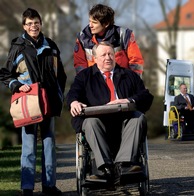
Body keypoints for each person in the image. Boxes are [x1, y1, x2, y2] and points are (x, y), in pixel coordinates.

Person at [0, 8, 66, 196]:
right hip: (28, 104)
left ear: (41, 23)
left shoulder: (51, 46)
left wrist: (59, 96)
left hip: (49, 103)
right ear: (24, 26)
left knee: (49, 145)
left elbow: (60, 74)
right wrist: (17, 86)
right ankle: (27, 188)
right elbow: (5, 74)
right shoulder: (18, 47)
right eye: (29, 23)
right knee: (28, 147)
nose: (33, 26)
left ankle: (49, 186)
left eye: (36, 22)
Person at [67, 42, 153, 184]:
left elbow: (146, 96)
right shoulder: (84, 77)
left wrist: (128, 100)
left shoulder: (129, 75)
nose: (108, 58)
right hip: (98, 126)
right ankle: (103, 168)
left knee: (138, 118)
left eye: (110, 54)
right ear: (94, 58)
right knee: (90, 122)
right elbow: (72, 94)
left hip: (125, 126)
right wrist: (74, 102)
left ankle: (124, 166)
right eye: (103, 55)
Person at [74, 4, 144, 77]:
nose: (90, 25)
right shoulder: (83, 38)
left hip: (121, 83)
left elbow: (136, 62)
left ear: (106, 24)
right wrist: (84, 84)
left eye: (94, 22)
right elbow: (80, 65)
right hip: (95, 84)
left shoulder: (124, 35)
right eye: (90, 21)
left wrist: (134, 83)